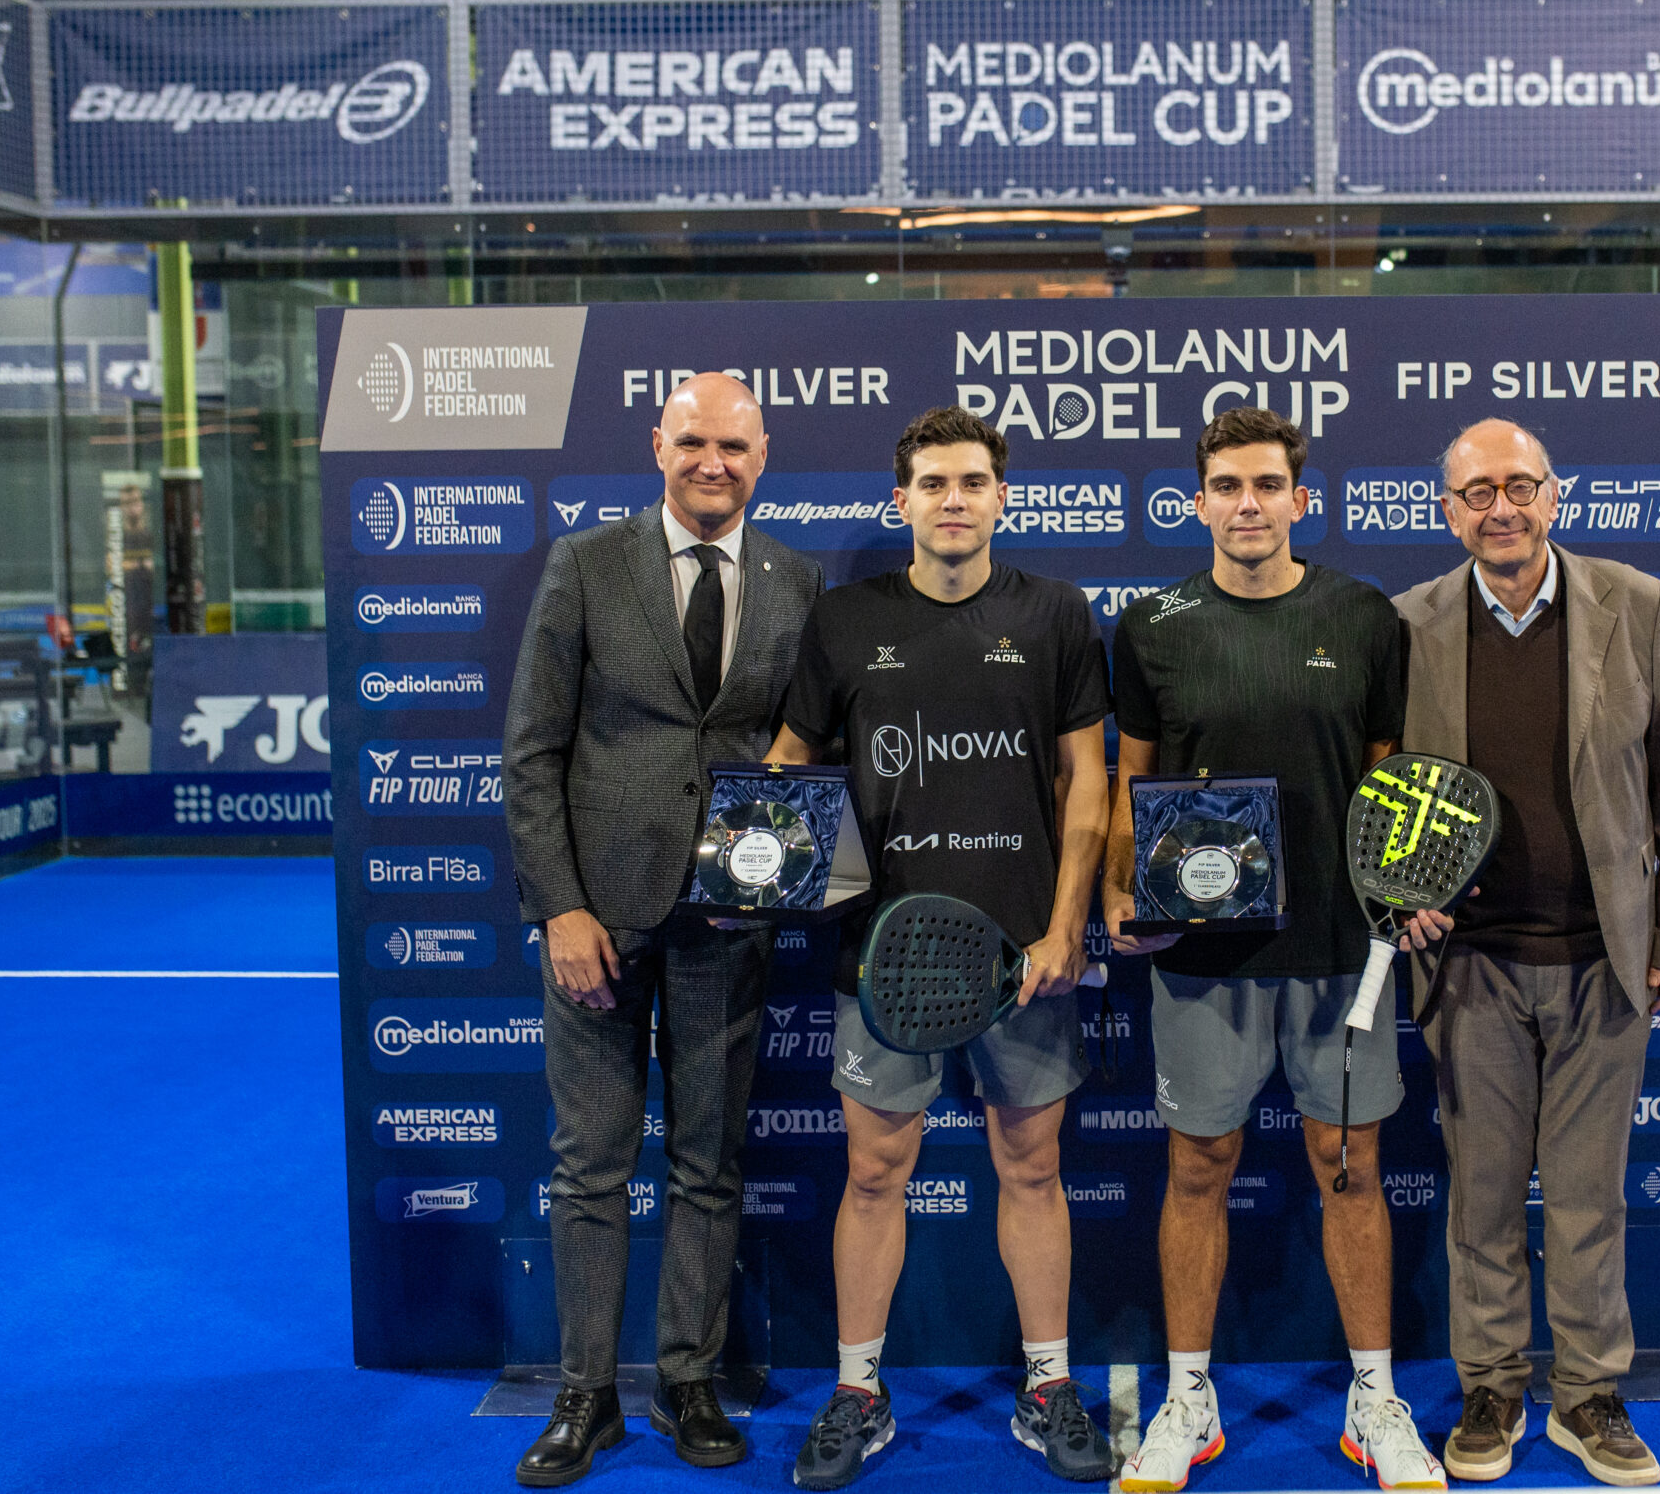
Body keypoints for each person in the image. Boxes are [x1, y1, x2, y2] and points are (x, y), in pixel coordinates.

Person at [764, 405, 1117, 1491]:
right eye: (932, 482)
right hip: (884, 962)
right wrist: (760, 854)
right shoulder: (840, 620)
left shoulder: (1056, 614)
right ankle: (859, 1390)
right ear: (901, 500)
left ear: (1002, 496)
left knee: (1033, 1164)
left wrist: (1065, 926)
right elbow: (788, 762)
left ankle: (1048, 1382)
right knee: (873, 1172)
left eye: (972, 480)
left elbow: (1087, 784)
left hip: (1026, 958)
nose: (953, 498)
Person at [1102, 407, 1437, 1494]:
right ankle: (1187, 1397)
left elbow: (1387, 773)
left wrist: (1399, 891)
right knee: (1197, 1164)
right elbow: (1131, 780)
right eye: (1227, 485)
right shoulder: (1150, 623)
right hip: (1202, 954)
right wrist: (1122, 885)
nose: (1248, 503)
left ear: (1303, 498)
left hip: (1345, 949)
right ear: (1197, 501)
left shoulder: (1363, 616)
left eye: (1267, 484)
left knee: (1351, 1166)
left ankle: (1374, 1396)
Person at [503, 373, 823, 1488]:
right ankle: (586, 1391)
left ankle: (689, 1377)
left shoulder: (797, 579)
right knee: (590, 1163)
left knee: (707, 1160)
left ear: (763, 452)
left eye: (733, 444)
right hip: (598, 919)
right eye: (692, 440)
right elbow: (533, 750)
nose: (712, 462)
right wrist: (561, 906)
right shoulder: (584, 564)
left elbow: (798, 752)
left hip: (729, 924)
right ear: (657, 443)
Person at [1390, 418, 1660, 1489]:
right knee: (1481, 1198)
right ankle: (1491, 1385)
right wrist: (1400, 902)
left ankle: (1585, 1394)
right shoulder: (1408, 625)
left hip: (1602, 963)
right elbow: (1383, 803)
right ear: (1448, 511)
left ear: (1554, 494)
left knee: (1587, 1198)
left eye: (1518, 485)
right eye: (1476, 492)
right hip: (1471, 968)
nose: (1501, 508)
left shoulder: (1632, 601)